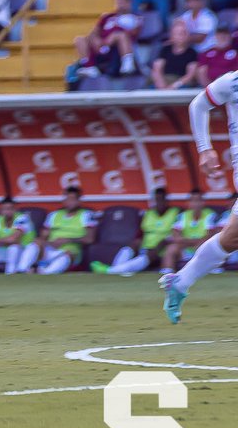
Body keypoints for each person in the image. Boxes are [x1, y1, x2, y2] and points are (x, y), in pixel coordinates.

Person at [166, 71, 238, 321]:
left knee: (231, 238)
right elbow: (198, 104)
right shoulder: (233, 81)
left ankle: (180, 282)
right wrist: (205, 149)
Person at [91, 188, 179, 276]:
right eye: (156, 200)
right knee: (134, 244)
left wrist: (161, 244)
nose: (159, 203)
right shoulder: (149, 213)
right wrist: (139, 242)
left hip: (163, 247)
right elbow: (141, 233)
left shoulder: (175, 212)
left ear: (166, 200)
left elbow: (176, 233)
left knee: (155, 249)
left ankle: (111, 271)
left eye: (161, 199)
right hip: (147, 245)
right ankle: (116, 268)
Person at [17, 186, 96, 274]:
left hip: (69, 251)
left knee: (67, 255)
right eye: (67, 199)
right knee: (36, 242)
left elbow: (89, 239)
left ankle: (45, 273)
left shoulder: (86, 215)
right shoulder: (54, 215)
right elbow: (44, 236)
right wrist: (46, 242)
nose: (69, 202)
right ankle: (22, 270)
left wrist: (67, 240)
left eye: (72, 199)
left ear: (79, 201)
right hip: (50, 249)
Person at [159, 189, 218, 274]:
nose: (196, 204)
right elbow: (176, 235)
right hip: (185, 248)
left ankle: (209, 269)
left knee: (207, 246)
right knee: (171, 248)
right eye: (193, 201)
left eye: (198, 200)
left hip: (201, 248)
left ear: (203, 202)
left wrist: (189, 242)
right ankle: (168, 272)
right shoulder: (183, 215)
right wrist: (188, 242)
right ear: (189, 203)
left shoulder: (210, 215)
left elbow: (209, 236)